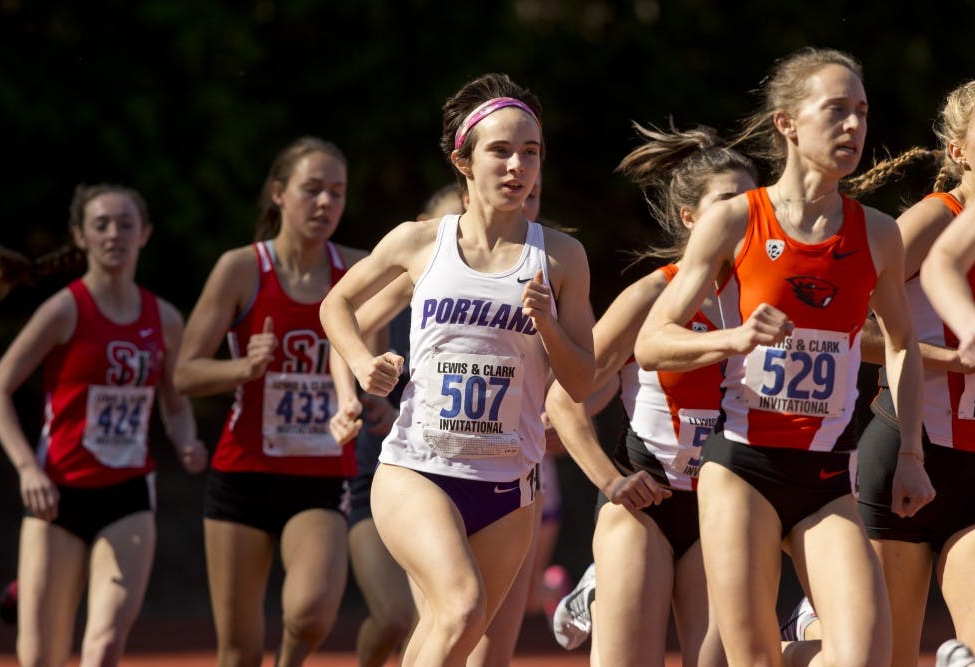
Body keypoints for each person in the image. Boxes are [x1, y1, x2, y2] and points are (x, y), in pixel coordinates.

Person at [634, 47, 935, 666]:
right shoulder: (736, 222)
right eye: (837, 111)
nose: (854, 126)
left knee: (863, 658)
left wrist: (910, 453)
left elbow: (902, 344)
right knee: (751, 660)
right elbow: (651, 343)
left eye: (862, 112)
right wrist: (732, 339)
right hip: (742, 469)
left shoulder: (877, 233)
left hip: (827, 474)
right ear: (787, 124)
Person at [320, 72, 595, 666]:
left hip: (508, 488)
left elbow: (581, 381)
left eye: (531, 152)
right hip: (418, 468)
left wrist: (548, 325)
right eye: (500, 150)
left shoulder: (563, 257)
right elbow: (335, 304)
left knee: (468, 645)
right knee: (461, 607)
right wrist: (363, 362)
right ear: (463, 162)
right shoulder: (420, 242)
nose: (518, 165)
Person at [546, 123, 757, 666]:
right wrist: (613, 481)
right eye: (727, 202)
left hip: (722, 505)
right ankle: (605, 579)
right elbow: (564, 399)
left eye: (751, 202)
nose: (743, 214)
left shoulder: (767, 295)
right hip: (646, 501)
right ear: (691, 218)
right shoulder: (652, 295)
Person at [782, 81, 975, 665]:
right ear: (959, 151)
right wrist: (947, 358)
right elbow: (849, 329)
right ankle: (801, 645)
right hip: (908, 452)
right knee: (876, 657)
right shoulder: (933, 221)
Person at [0, 183, 206, 667]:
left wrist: (185, 439)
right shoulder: (64, 309)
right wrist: (27, 468)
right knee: (41, 658)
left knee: (102, 649)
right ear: (80, 236)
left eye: (126, 224)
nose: (114, 234)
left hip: (127, 495)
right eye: (101, 224)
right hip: (58, 494)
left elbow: (176, 400)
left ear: (144, 234)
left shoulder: (163, 318)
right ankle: (34, 583)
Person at [173, 136, 365, 667]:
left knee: (311, 612)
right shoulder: (241, 269)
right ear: (279, 194)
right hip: (244, 473)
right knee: (237, 652)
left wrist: (367, 399)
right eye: (312, 189)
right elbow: (185, 373)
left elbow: (379, 362)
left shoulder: (358, 271)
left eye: (337, 192)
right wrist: (245, 368)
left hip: (322, 473)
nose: (326, 203)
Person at [346, 184, 465, 667]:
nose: (464, 230)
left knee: (444, 619)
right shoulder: (410, 281)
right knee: (403, 616)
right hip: (381, 471)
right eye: (454, 218)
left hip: (458, 471)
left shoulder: (501, 278)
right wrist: (356, 387)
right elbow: (343, 324)